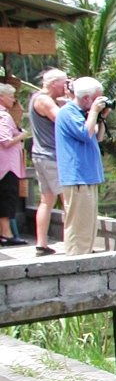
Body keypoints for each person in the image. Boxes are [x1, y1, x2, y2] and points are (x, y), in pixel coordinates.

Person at [55, 76, 110, 256]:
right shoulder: (67, 112)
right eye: (97, 99)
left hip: (88, 175)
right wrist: (94, 112)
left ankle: (85, 255)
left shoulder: (82, 114)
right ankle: (75, 259)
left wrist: (101, 117)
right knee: (78, 225)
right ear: (86, 98)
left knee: (88, 224)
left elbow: (97, 137)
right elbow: (86, 133)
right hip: (77, 176)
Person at [29, 68, 69, 256]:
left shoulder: (37, 98)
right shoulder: (44, 100)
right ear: (54, 84)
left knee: (46, 201)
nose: (66, 86)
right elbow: (62, 119)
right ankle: (74, 242)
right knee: (68, 200)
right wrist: (70, 102)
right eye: (64, 83)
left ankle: (41, 243)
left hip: (40, 154)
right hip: (52, 156)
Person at [0, 83, 28, 247]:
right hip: (7, 165)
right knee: (7, 197)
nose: (13, 100)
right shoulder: (3, 116)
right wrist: (22, 134)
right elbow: (6, 141)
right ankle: (6, 233)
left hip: (5, 164)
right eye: (10, 96)